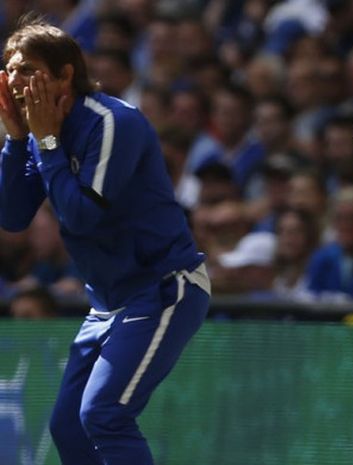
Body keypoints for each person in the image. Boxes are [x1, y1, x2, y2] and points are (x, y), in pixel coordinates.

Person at [0, 17, 210, 465]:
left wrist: (48, 143)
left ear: (65, 75)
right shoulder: (40, 132)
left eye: (30, 70)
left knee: (104, 413)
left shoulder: (112, 121)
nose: (16, 81)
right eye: (11, 70)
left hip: (163, 288)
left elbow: (84, 218)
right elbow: (13, 216)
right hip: (108, 303)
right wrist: (18, 141)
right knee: (67, 426)